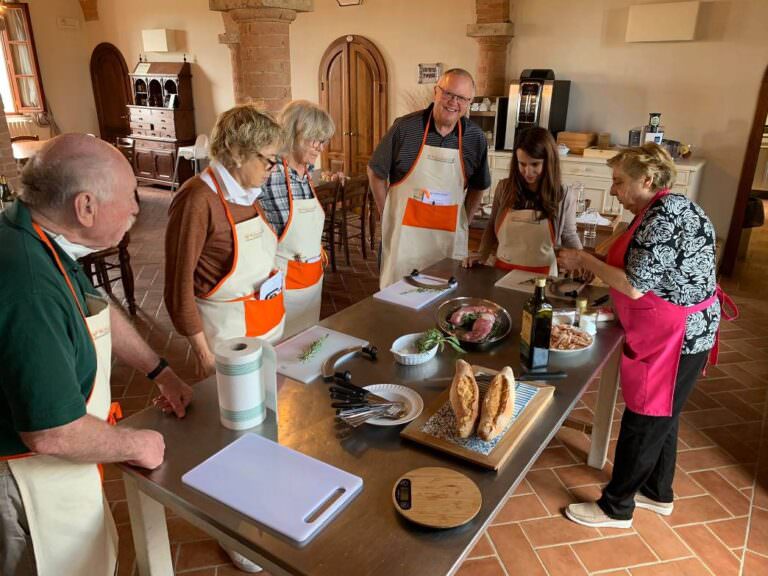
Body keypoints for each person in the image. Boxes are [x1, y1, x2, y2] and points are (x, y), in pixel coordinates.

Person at [0, 134, 193, 576]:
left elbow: (96, 309)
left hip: (54, 466)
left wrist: (159, 371)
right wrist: (134, 443)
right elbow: (52, 434)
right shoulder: (28, 287)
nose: (135, 209)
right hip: (22, 484)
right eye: (128, 198)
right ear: (85, 207)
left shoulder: (38, 235)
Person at [558, 143, 737, 528]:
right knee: (663, 416)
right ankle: (657, 493)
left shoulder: (663, 218)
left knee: (645, 418)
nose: (614, 190)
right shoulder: (659, 209)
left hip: (676, 337)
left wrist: (583, 259)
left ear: (648, 180)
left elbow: (636, 285)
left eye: (619, 182)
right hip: (678, 329)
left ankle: (616, 507)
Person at [165, 104, 284, 380]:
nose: (272, 169)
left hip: (266, 326)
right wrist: (204, 356)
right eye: (268, 160)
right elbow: (178, 287)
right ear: (236, 152)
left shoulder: (248, 192)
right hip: (227, 341)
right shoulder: (197, 200)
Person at [368, 68, 491, 288]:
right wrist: (385, 212)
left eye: (462, 98)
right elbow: (376, 171)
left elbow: (479, 185)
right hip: (405, 240)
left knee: (443, 303)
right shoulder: (405, 128)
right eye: (448, 94)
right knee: (397, 303)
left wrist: (464, 221)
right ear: (436, 92)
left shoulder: (475, 138)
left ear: (469, 102)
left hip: (447, 243)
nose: (453, 102)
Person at [260, 100, 334, 337]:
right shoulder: (269, 174)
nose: (320, 147)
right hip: (282, 288)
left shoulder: (307, 175)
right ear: (294, 134)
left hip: (312, 284)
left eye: (323, 140)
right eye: (315, 140)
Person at [465, 127, 581, 273]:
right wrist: (482, 254)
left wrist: (584, 262)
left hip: (543, 277)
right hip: (502, 272)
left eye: (535, 164)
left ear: (549, 162)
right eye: (522, 164)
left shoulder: (563, 196)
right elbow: (491, 227)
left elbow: (569, 235)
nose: (528, 172)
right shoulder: (504, 188)